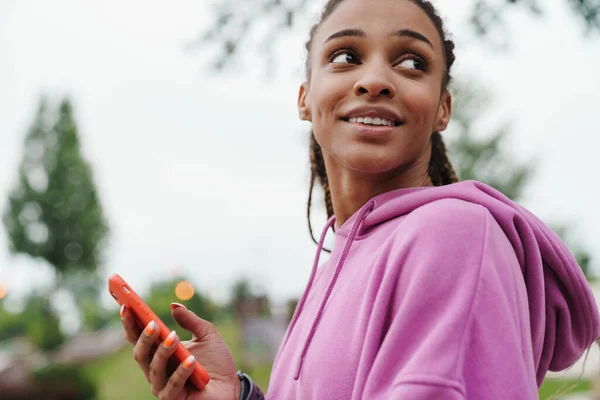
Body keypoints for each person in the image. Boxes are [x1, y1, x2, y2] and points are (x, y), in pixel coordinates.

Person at [120, 0, 600, 398]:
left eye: (411, 62)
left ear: (442, 108)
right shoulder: (338, 262)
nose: (374, 80)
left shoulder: (455, 236)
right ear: (306, 98)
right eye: (346, 56)